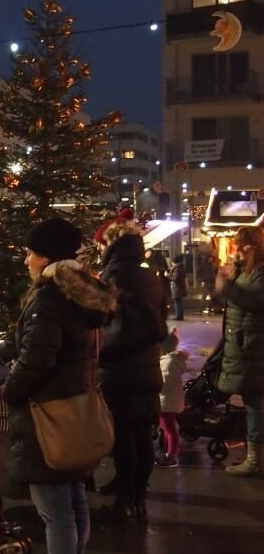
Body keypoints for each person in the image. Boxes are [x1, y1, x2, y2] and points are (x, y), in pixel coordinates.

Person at [0, 217, 114, 554]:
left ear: (44, 256)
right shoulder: (79, 294)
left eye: (29, 253)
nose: (26, 260)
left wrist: (8, 392)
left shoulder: (49, 297)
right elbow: (51, 345)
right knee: (73, 505)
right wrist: (10, 349)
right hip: (77, 411)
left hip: (49, 418)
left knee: (56, 514)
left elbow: (38, 361)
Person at [94, 208, 168, 521]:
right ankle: (137, 497)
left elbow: (111, 325)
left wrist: (100, 352)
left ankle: (125, 501)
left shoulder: (115, 275)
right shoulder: (148, 272)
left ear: (110, 243)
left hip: (121, 368)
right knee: (141, 434)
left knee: (124, 436)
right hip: (147, 365)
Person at [215, 226, 264, 478]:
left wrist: (228, 287)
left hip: (254, 349)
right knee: (253, 402)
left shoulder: (260, 273)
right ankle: (254, 456)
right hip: (246, 348)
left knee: (256, 404)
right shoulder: (247, 271)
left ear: (252, 246)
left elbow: (255, 301)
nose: (237, 250)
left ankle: (255, 459)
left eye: (241, 245)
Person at [156, 326, 188, 469]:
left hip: (166, 402)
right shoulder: (173, 361)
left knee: (170, 429)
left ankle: (171, 455)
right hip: (171, 400)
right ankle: (167, 451)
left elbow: (164, 383)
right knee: (166, 427)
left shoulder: (168, 363)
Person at [168, 255, 187, 321]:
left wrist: (168, 275)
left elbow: (175, 278)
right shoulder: (181, 267)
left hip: (176, 288)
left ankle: (178, 316)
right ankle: (180, 316)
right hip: (180, 287)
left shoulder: (176, 268)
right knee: (179, 302)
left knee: (177, 303)